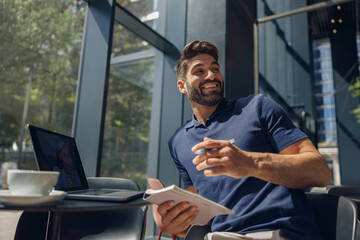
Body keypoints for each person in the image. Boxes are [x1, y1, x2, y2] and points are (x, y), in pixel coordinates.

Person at [153, 40, 331, 240]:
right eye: (199, 71)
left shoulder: (257, 108)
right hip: (220, 236)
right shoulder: (178, 141)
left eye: (215, 68)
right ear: (182, 86)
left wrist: (251, 163)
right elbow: (199, 215)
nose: (211, 75)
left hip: (280, 233)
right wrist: (176, 223)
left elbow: (321, 172)